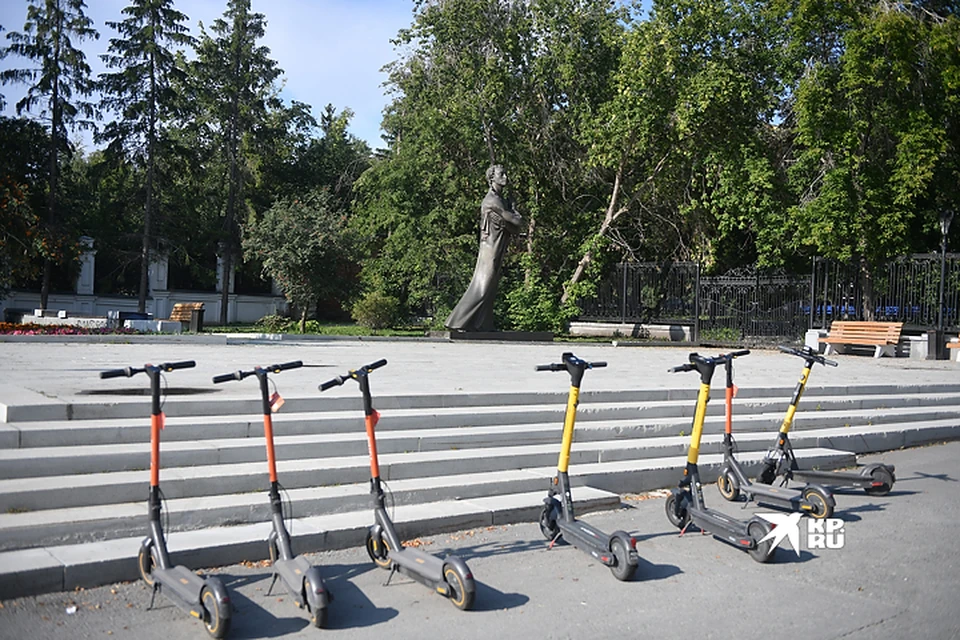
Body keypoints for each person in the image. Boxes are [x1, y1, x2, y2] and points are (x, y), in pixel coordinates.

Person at [445, 164, 524, 332]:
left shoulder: (501, 200)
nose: (505, 178)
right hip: (489, 249)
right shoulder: (492, 200)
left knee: (491, 286)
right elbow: (516, 222)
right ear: (492, 178)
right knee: (483, 285)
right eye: (501, 174)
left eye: (506, 174)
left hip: (498, 246)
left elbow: (515, 228)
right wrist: (515, 210)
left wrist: (512, 215)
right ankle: (457, 321)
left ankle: (483, 324)